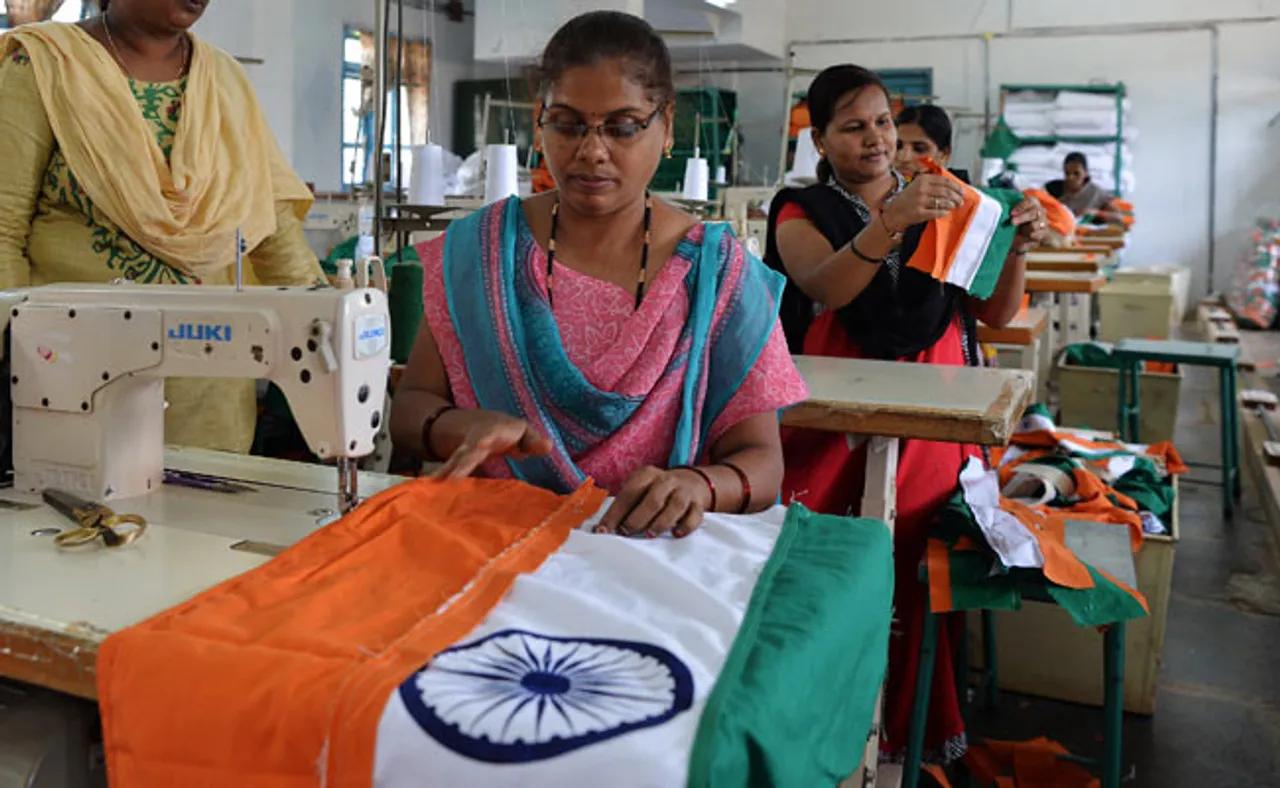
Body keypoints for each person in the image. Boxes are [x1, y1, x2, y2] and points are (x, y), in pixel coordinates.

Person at [389, 11, 807, 538]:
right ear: (541, 121)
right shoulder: (480, 253)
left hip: (650, 550)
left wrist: (697, 485)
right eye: (566, 123)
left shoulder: (718, 276)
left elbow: (762, 462)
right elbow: (411, 410)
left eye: (623, 127)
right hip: (495, 542)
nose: (591, 152)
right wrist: (457, 426)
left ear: (667, 126)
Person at [763, 64, 1048, 770]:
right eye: (852, 127)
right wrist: (894, 221)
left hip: (942, 409)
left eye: (883, 123)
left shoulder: (948, 201)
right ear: (821, 141)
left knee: (919, 557)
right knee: (840, 558)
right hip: (837, 415)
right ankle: (828, 725)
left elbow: (993, 312)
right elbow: (822, 285)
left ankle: (909, 723)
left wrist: (1016, 249)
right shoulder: (801, 209)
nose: (876, 140)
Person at [0, 0, 324, 454]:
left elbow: (269, 223)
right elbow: (3, 226)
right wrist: (15, 353)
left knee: (211, 519)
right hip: (71, 375)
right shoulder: (45, 65)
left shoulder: (225, 81)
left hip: (211, 392)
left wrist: (325, 319)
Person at [894, 103, 970, 183]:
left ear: (944, 154)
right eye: (897, 146)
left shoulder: (963, 194)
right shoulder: (886, 191)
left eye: (919, 149)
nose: (904, 158)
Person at [1044, 151, 1118, 220]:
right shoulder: (1053, 188)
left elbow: (1117, 215)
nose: (1071, 177)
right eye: (1067, 173)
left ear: (1086, 173)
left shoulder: (1095, 192)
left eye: (1076, 173)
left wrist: (1096, 213)